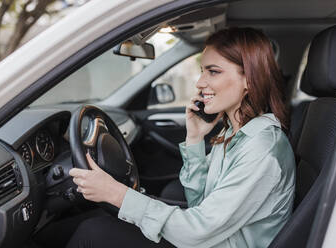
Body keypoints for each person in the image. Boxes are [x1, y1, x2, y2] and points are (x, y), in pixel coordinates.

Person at [67, 27, 295, 248]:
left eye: (213, 71)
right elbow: (201, 204)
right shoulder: (235, 132)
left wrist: (117, 194)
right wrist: (195, 137)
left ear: (249, 80)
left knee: (92, 232)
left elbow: (197, 232)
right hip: (212, 239)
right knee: (99, 225)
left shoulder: (262, 149)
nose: (200, 82)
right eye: (202, 70)